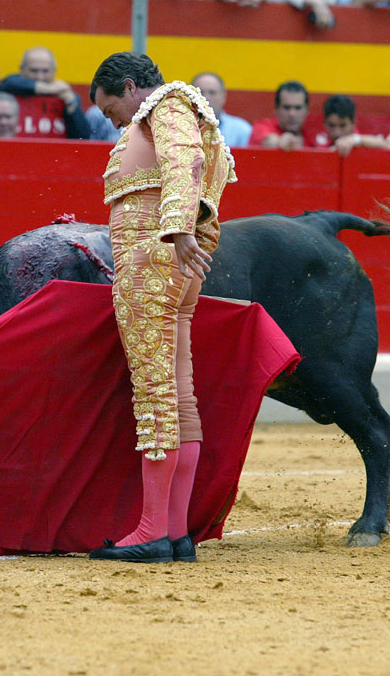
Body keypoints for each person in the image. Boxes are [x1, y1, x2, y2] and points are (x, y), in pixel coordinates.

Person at [87, 51, 236, 563]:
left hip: (154, 262)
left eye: (113, 111)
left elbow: (184, 161)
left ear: (130, 87)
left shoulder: (166, 105)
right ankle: (175, 533)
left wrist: (174, 227)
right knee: (180, 398)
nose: (117, 122)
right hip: (172, 263)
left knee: (156, 397)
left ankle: (152, 530)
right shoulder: (171, 110)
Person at [0, 46, 90, 138]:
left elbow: (82, 137)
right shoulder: (11, 86)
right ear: (22, 69)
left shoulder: (67, 97)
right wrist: (49, 89)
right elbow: (7, 83)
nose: (40, 77)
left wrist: (72, 106)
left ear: (54, 71)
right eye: (34, 71)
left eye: (45, 71)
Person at [313, 94, 387, 156]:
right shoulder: (317, 142)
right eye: (331, 125)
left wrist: (356, 140)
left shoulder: (364, 142)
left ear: (354, 123)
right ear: (324, 123)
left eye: (342, 125)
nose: (337, 132)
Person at [191, 71, 252, 147]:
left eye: (212, 92)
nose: (206, 98)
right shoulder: (179, 128)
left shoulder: (242, 130)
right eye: (200, 93)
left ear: (223, 96)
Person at [249, 80, 311, 150]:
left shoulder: (312, 134)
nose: (292, 113)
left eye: (298, 108)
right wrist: (280, 141)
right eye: (286, 107)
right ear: (276, 109)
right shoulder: (262, 126)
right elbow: (268, 140)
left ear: (307, 110)